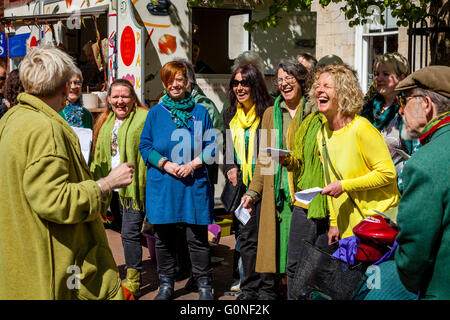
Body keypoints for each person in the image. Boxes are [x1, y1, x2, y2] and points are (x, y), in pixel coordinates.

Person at [0, 45, 135, 300]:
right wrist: (105, 184)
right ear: (63, 86)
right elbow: (54, 200)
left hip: (20, 259)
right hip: (49, 269)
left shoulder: (12, 118)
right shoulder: (45, 128)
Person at [139, 60, 217, 300]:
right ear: (164, 84)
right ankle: (166, 284)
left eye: (180, 79)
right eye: (170, 80)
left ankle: (204, 285)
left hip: (193, 184)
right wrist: (166, 164)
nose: (175, 84)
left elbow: (213, 146)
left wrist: (193, 164)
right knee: (163, 237)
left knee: (197, 237)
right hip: (163, 183)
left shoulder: (200, 111)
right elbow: (145, 146)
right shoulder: (155, 113)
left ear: (187, 82)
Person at [241, 58, 314, 299]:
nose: (284, 84)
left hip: (305, 196)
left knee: (300, 260)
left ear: (301, 80)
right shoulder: (271, 113)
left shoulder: (313, 111)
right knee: (275, 257)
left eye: (289, 78)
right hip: (277, 199)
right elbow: (265, 158)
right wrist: (253, 192)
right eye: (280, 80)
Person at [314, 64, 400, 243]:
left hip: (375, 228)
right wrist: (333, 222)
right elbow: (330, 179)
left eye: (327, 86)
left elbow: (388, 174)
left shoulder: (361, 128)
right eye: (317, 86)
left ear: (343, 93)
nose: (319, 91)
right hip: (347, 229)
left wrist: (345, 186)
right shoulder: (321, 133)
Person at [394, 65, 450, 300]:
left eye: (404, 101)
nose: (400, 112)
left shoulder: (424, 163)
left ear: (426, 105)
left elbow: (414, 254)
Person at [90, 78, 148, 297]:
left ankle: (133, 279)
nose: (120, 101)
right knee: (124, 231)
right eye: (115, 96)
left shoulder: (144, 118)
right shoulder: (106, 121)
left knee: (129, 234)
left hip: (132, 188)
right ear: (109, 100)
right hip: (112, 189)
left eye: (125, 96)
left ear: (133, 99)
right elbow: (98, 155)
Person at [222, 63, 273, 300]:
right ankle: (249, 288)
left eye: (245, 83)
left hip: (267, 182)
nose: (239, 87)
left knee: (267, 237)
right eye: (236, 83)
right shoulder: (230, 113)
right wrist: (230, 167)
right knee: (247, 239)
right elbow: (226, 146)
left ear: (255, 85)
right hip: (242, 185)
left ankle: (267, 288)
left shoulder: (268, 111)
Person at [360, 52, 419, 192]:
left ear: (401, 77)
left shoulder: (410, 110)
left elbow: (416, 155)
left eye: (386, 74)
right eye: (376, 73)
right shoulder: (366, 109)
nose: (379, 78)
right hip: (365, 187)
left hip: (397, 189)